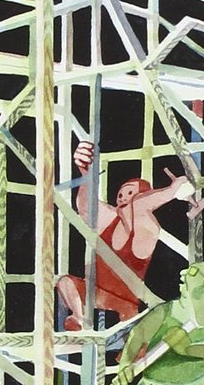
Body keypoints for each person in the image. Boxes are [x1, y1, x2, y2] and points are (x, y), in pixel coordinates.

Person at [56, 141, 194, 331]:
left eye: (130, 192)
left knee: (130, 343)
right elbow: (86, 207)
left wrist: (173, 191)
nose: (122, 197)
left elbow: (140, 206)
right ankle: (80, 319)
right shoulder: (112, 220)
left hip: (126, 303)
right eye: (120, 194)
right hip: (97, 292)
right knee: (65, 282)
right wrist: (86, 174)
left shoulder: (146, 226)